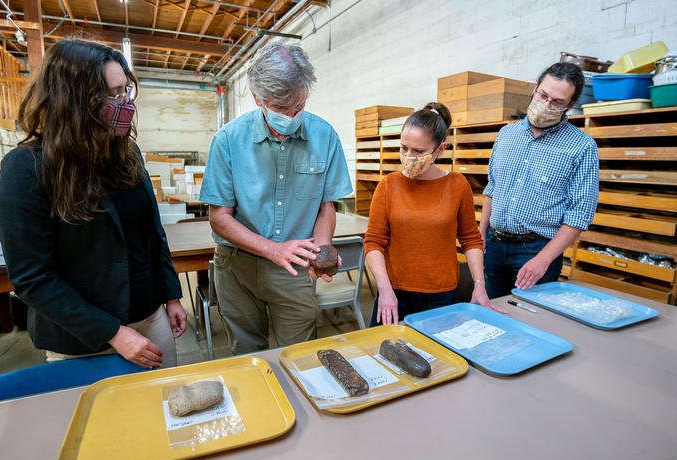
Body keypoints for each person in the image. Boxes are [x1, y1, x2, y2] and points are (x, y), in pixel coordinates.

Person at [0, 39, 186, 369]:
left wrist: (170, 295)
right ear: (73, 100)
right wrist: (113, 333)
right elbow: (32, 278)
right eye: (112, 94)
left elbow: (153, 234)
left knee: (164, 412)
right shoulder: (26, 169)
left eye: (126, 90)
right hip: (84, 337)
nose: (124, 103)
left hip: (151, 317)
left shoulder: (126, 154)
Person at [200, 42, 352, 354]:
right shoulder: (228, 141)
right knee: (247, 353)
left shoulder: (325, 136)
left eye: (299, 106)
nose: (292, 117)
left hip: (295, 266)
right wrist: (272, 249)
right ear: (258, 98)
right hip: (238, 267)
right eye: (281, 109)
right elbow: (219, 217)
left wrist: (322, 249)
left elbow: (326, 206)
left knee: (299, 354)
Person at [365, 102, 505, 326]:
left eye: (418, 151)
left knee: (436, 357)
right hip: (393, 292)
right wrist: (384, 289)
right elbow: (373, 243)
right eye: (404, 148)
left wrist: (480, 285)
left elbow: (470, 239)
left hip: (440, 294)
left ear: (439, 149)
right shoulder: (388, 186)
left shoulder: (457, 185)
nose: (409, 156)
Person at [480, 62, 599, 298]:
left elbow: (579, 214)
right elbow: (492, 188)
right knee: (492, 313)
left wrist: (543, 260)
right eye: (543, 95)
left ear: (571, 105)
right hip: (493, 244)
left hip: (536, 250)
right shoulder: (506, 135)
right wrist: (481, 234)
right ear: (535, 88)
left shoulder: (582, 146)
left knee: (529, 321)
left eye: (557, 102)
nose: (546, 105)